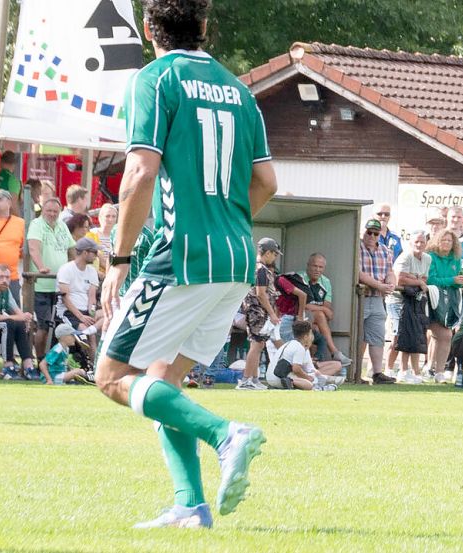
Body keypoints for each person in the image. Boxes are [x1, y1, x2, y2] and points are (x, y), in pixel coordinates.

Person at [95, 0, 275, 529]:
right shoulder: (240, 91)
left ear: (150, 28)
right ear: (203, 27)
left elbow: (139, 175)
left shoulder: (153, 79)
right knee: (161, 379)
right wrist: (227, 225)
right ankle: (189, 506)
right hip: (237, 256)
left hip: (180, 255)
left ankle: (225, 435)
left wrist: (119, 259)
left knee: (110, 376)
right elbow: (266, 182)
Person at [27, 196, 75, 358]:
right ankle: (40, 361)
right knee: (44, 326)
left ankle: (55, 362)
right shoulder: (37, 225)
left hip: (60, 285)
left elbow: (72, 249)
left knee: (60, 327)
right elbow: (33, 248)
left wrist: (75, 270)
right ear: (43, 211)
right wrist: (41, 267)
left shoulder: (62, 226)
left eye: (55, 211)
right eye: (49, 210)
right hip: (42, 285)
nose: (52, 214)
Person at [239, 238, 284, 390]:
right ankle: (246, 380)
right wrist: (272, 314)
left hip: (257, 311)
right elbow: (261, 294)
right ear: (268, 252)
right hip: (258, 311)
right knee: (256, 344)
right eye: (274, 254)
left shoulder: (256, 268)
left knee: (259, 344)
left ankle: (254, 379)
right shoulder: (261, 270)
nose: (275, 257)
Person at [387, 230, 431, 383]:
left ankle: (409, 371)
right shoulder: (405, 256)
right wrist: (417, 281)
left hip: (413, 300)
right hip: (397, 300)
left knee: (413, 334)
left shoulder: (427, 258)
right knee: (397, 336)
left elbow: (425, 277)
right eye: (416, 242)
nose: (419, 244)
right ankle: (389, 369)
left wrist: (413, 278)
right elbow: (400, 279)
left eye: (422, 242)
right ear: (410, 243)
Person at [359, 219, 396, 384]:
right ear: (364, 232)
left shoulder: (386, 251)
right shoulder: (356, 248)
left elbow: (390, 271)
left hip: (377, 299)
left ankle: (377, 372)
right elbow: (358, 273)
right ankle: (355, 372)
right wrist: (380, 285)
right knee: (358, 336)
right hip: (360, 297)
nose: (372, 236)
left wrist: (391, 283)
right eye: (369, 232)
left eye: (376, 233)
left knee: (377, 336)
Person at [0, 264, 36, 380]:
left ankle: (28, 367)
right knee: (9, 322)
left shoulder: (6, 291)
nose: (5, 281)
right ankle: (8, 367)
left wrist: (25, 319)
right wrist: (19, 318)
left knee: (18, 324)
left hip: (1, 330)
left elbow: (18, 312)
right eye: (1, 277)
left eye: (7, 277)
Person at [426, 228, 463, 382]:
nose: (447, 243)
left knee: (444, 336)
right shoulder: (431, 257)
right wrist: (452, 280)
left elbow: (457, 280)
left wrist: (460, 282)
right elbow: (431, 280)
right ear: (437, 241)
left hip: (449, 301)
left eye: (450, 240)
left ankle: (437, 371)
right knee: (442, 335)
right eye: (444, 240)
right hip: (431, 299)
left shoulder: (456, 258)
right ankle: (432, 370)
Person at [299, 253, 351, 365]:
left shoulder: (325, 282)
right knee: (319, 315)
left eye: (320, 267)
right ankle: (334, 352)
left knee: (317, 326)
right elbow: (302, 305)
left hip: (314, 320)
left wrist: (322, 309)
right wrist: (323, 309)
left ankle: (313, 364)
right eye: (314, 266)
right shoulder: (300, 278)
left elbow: (327, 307)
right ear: (308, 265)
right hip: (297, 316)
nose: (317, 270)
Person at [265, 320, 344, 390]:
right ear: (306, 337)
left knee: (312, 378)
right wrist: (309, 378)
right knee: (308, 384)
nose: (312, 336)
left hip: (271, 378)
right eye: (310, 334)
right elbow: (296, 369)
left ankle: (323, 381)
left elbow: (307, 368)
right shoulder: (299, 348)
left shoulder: (290, 344)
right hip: (279, 378)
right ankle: (318, 388)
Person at [56, 238, 101, 343]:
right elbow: (65, 298)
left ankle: (90, 331)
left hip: (86, 311)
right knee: (91, 336)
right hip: (69, 312)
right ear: (85, 253)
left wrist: (92, 313)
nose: (96, 255)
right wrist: (81, 317)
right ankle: (93, 357)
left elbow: (92, 297)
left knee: (110, 315)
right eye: (94, 252)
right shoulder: (66, 269)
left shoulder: (92, 271)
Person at [0, 189, 26, 304]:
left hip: (10, 277)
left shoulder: (20, 223)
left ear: (9, 203)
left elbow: (25, 249)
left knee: (15, 313)